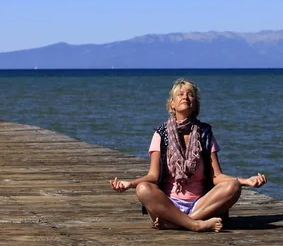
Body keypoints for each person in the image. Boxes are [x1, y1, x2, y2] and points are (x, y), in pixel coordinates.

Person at [111, 78, 267, 232]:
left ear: (195, 104)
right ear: (171, 104)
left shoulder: (205, 133)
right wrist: (130, 184)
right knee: (143, 189)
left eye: (190, 94)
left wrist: (245, 181)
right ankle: (195, 224)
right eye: (180, 94)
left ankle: (180, 223)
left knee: (233, 186)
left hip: (201, 204)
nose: (185, 97)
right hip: (168, 204)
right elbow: (153, 176)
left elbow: (216, 176)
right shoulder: (161, 134)